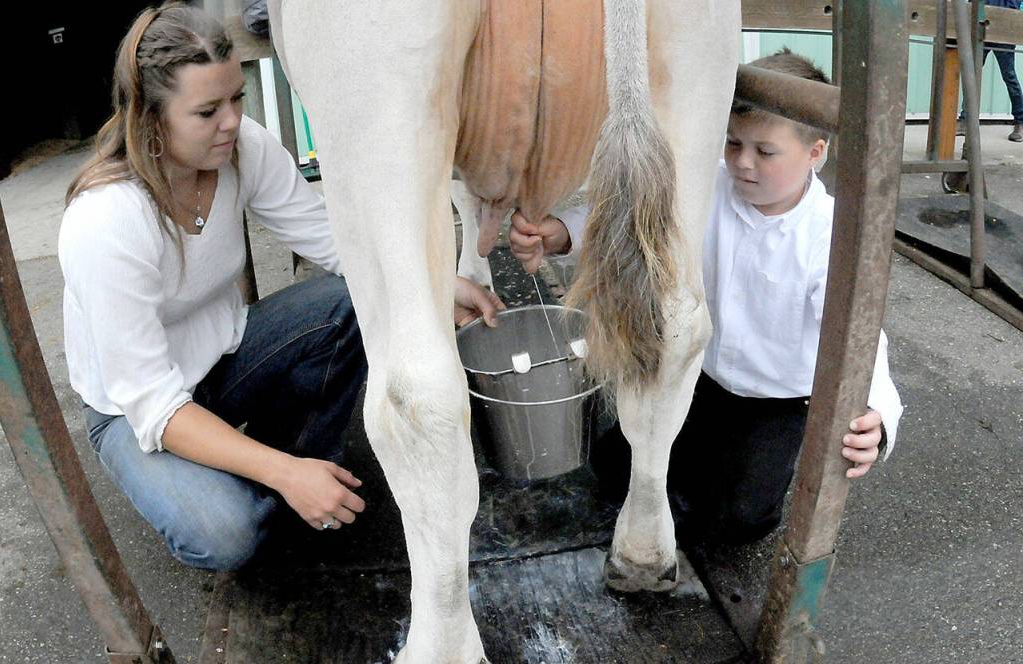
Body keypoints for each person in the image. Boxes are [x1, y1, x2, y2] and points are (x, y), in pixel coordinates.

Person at [58, 3, 504, 571]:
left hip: (224, 356)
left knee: (350, 304)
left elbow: (336, 244)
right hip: (133, 409)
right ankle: (279, 481)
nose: (231, 122)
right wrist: (282, 472)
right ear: (150, 119)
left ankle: (294, 473)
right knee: (229, 534)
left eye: (236, 98)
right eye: (206, 111)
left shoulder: (244, 147)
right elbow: (154, 404)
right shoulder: (105, 221)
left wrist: (437, 286)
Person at [509, 49, 904, 545]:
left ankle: (735, 479)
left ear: (815, 152)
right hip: (700, 375)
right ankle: (694, 464)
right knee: (612, 466)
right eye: (733, 142)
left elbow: (861, 334)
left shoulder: (831, 234)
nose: (742, 162)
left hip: (777, 400)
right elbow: (635, 214)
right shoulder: (707, 186)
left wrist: (879, 413)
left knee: (737, 521)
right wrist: (561, 233)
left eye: (765, 151)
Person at [957, 0, 1023, 142]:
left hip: (1003, 31)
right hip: (983, 27)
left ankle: (1020, 122)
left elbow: (1014, 5)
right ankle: (965, 119)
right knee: (971, 75)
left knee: (1009, 77)